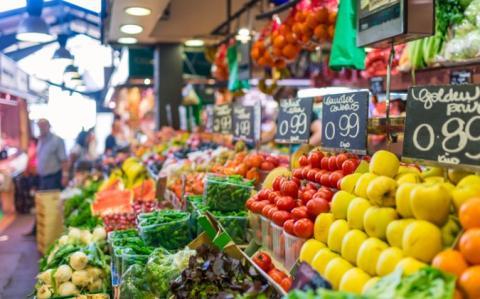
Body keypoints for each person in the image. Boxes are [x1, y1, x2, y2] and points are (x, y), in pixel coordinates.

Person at [36, 119, 68, 190]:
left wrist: (65, 175)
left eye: (43, 126)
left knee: (53, 199)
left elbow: (64, 160)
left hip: (54, 177)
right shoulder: (40, 140)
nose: (41, 128)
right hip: (42, 178)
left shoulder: (57, 140)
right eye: (39, 126)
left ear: (49, 126)